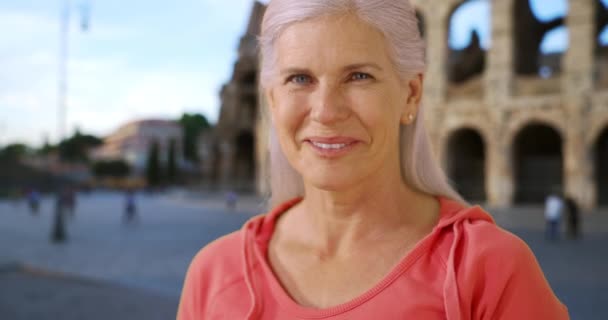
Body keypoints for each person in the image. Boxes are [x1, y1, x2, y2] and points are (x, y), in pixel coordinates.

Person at [178, 1, 569, 319]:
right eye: (300, 78)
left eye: (358, 76)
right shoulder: (214, 272)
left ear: (412, 94)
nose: (327, 112)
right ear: (272, 100)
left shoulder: (488, 270)